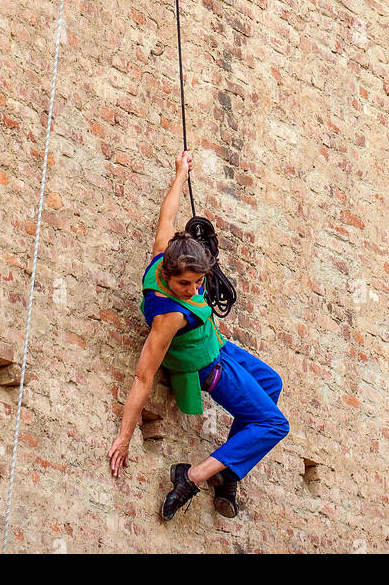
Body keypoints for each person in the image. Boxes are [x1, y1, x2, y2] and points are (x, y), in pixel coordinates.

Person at [108, 150, 289, 521]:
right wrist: (124, 436)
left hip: (218, 345)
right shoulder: (169, 316)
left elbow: (168, 215)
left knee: (272, 383)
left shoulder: (163, 254)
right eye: (185, 284)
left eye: (198, 282)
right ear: (170, 277)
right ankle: (192, 475)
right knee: (274, 424)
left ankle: (228, 470)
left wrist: (180, 174)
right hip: (210, 367)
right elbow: (143, 377)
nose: (193, 290)